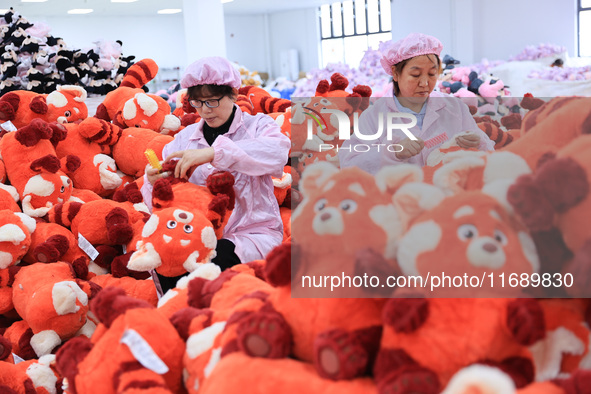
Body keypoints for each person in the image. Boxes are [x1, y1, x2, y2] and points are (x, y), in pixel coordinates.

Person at [141, 56, 290, 292]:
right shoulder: (185, 137)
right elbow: (160, 203)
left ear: (232, 93)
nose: (205, 111)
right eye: (198, 103)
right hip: (196, 232)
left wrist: (213, 153)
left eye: (211, 101)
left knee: (210, 263)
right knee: (168, 257)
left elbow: (277, 152)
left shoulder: (258, 126)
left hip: (250, 232)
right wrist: (153, 183)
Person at [339, 33, 495, 174]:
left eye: (432, 74)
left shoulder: (454, 108)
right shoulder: (374, 117)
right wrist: (393, 152)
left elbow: (487, 149)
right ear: (395, 73)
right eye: (415, 75)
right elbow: (349, 163)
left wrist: (477, 143)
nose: (425, 83)